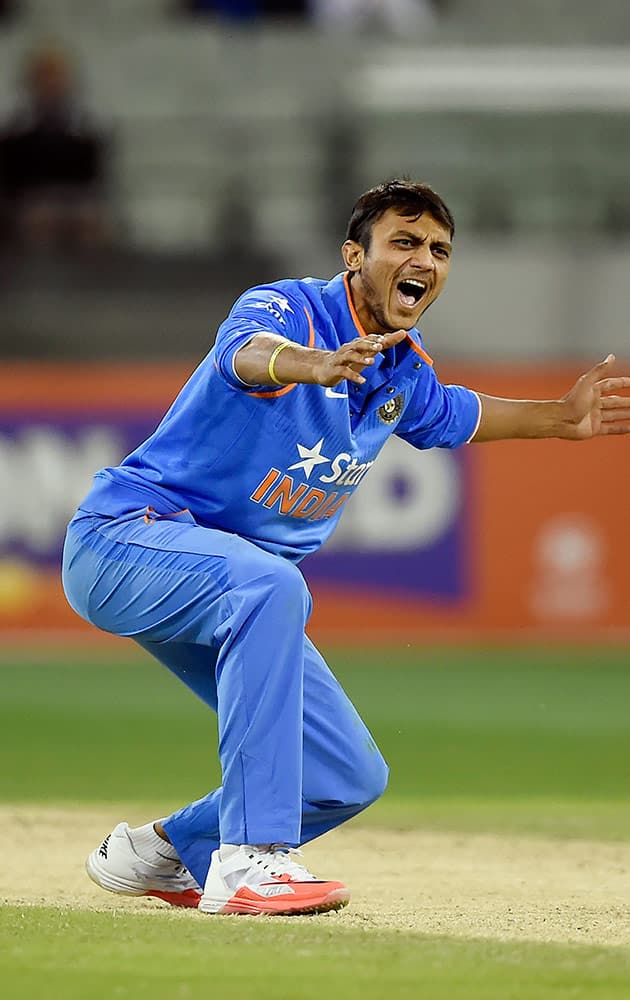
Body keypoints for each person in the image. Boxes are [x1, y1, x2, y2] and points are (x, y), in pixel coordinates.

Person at [62, 179, 630, 917]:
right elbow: (245, 355)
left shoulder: (400, 366)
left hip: (222, 585)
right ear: (353, 255)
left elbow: (453, 412)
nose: (424, 257)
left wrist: (561, 417)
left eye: (438, 248)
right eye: (404, 240)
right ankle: (251, 861)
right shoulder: (288, 307)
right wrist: (311, 364)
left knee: (344, 774)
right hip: (122, 541)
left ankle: (166, 851)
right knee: (270, 587)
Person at [0, 41, 110, 250]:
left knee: (90, 219)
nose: (52, 83)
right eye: (45, 76)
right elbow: (11, 182)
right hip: (30, 203)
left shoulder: (87, 124)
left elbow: (93, 178)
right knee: (39, 218)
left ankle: (91, 276)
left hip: (76, 200)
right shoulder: (15, 126)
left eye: (57, 76)